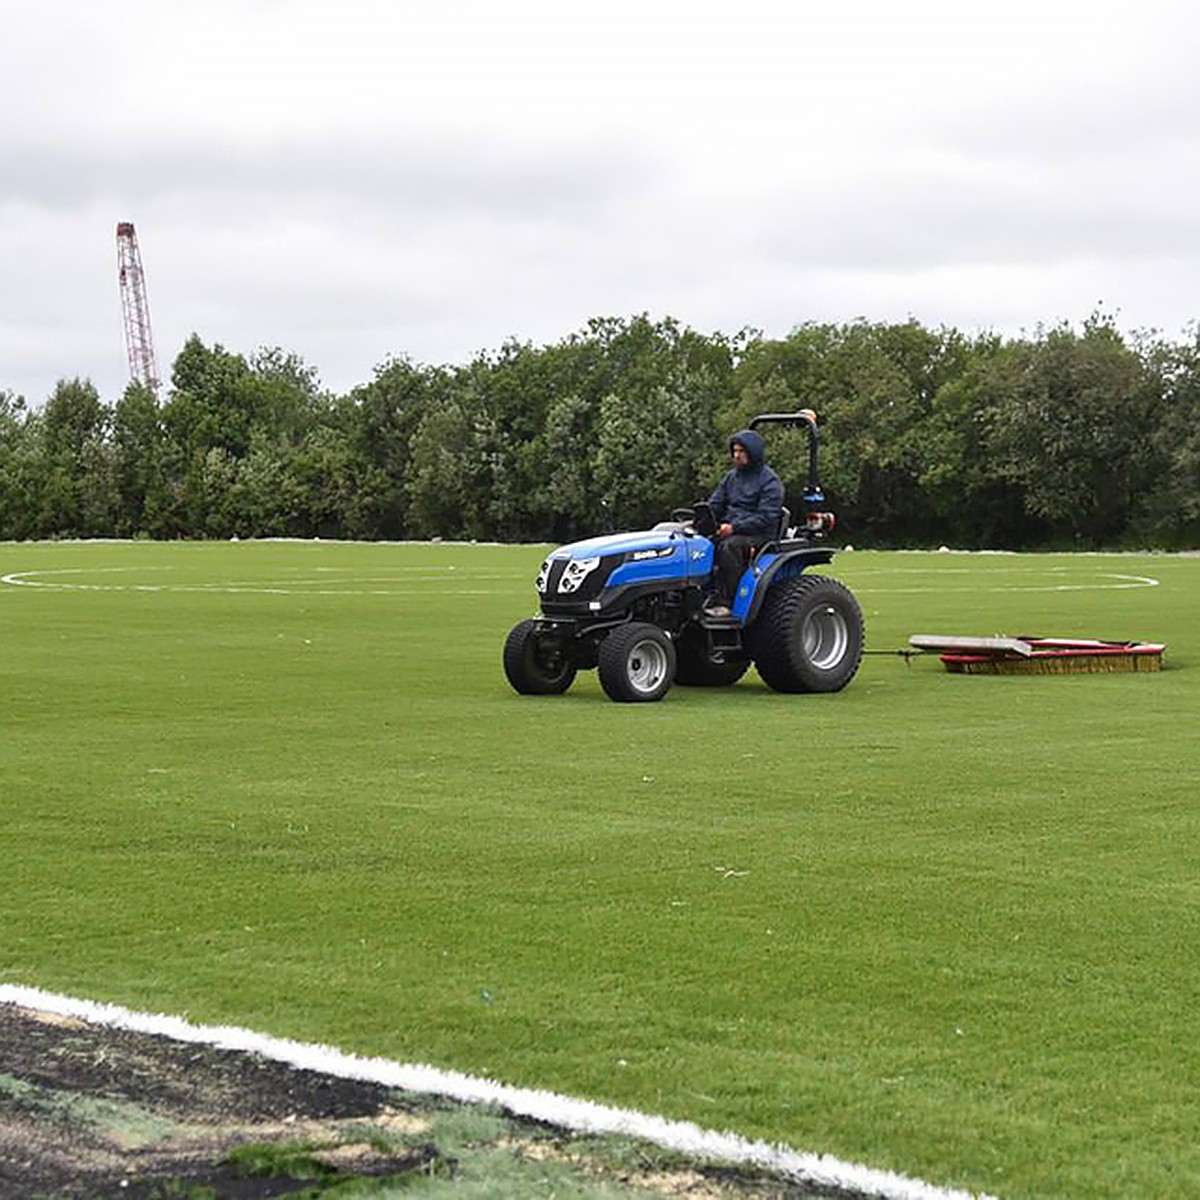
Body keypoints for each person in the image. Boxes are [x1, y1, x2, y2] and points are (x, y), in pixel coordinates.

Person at [704, 428, 784, 616]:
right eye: (735, 451)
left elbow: (766, 517)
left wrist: (734, 527)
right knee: (698, 545)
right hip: (730, 529)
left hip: (758, 535)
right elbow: (715, 504)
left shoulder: (770, 482)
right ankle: (701, 594)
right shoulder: (731, 478)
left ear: (753, 452)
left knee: (727, 547)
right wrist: (702, 519)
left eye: (741, 451)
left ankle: (728, 601)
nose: (737, 455)